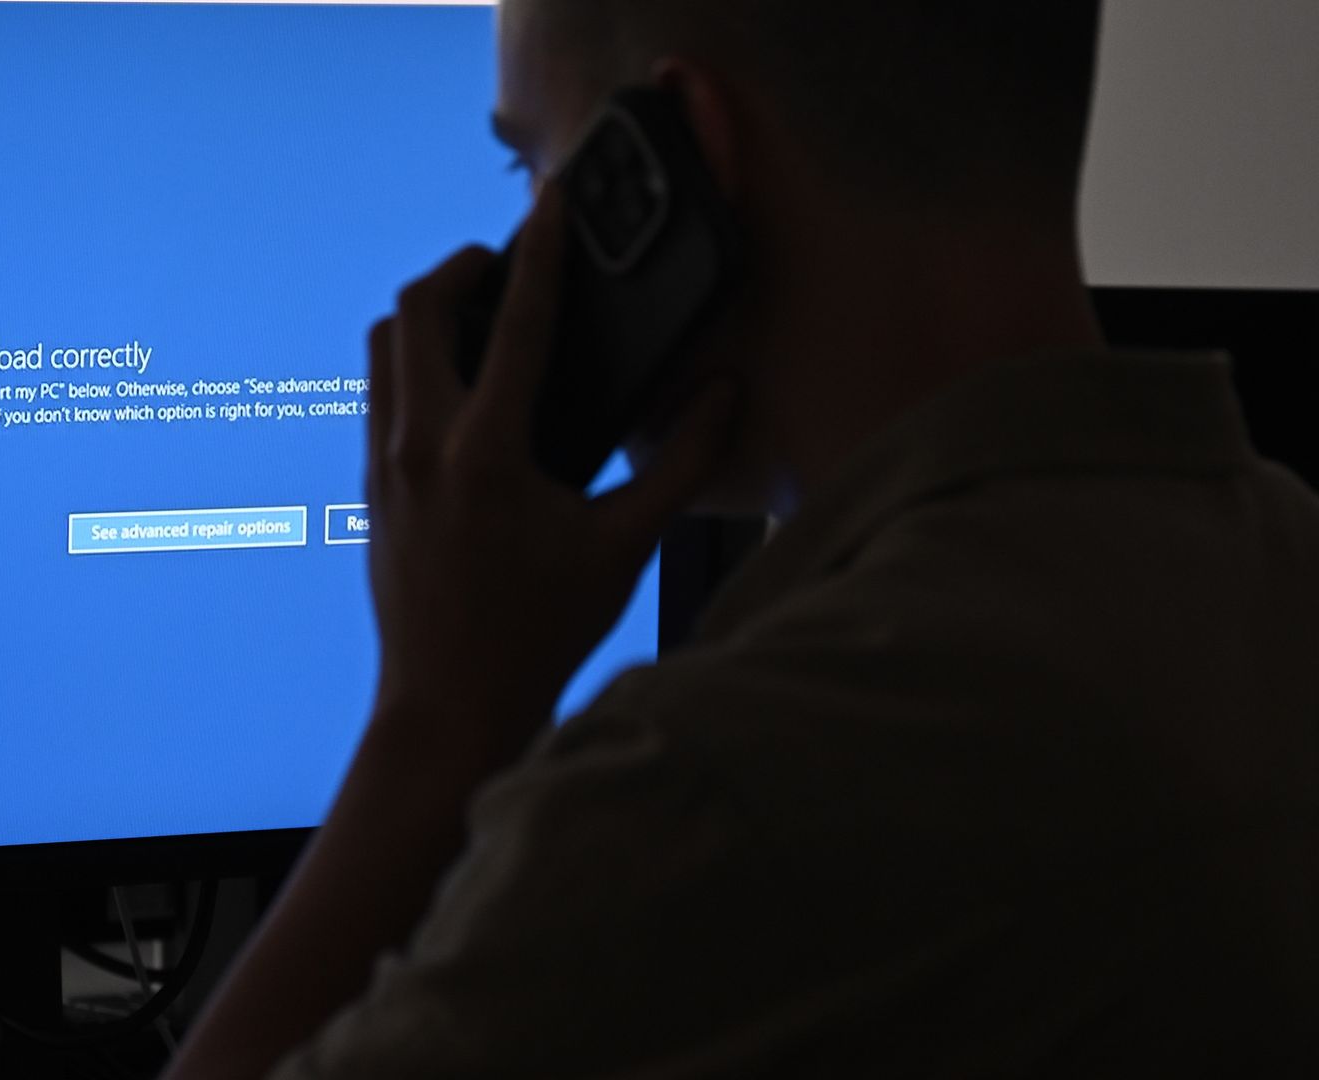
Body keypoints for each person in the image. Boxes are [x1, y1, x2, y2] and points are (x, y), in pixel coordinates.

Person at [167, 1, 1319, 1075]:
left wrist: (437, 718)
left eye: (534, 165)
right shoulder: (1276, 564)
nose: (521, 243)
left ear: (673, 168)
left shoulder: (726, 789)